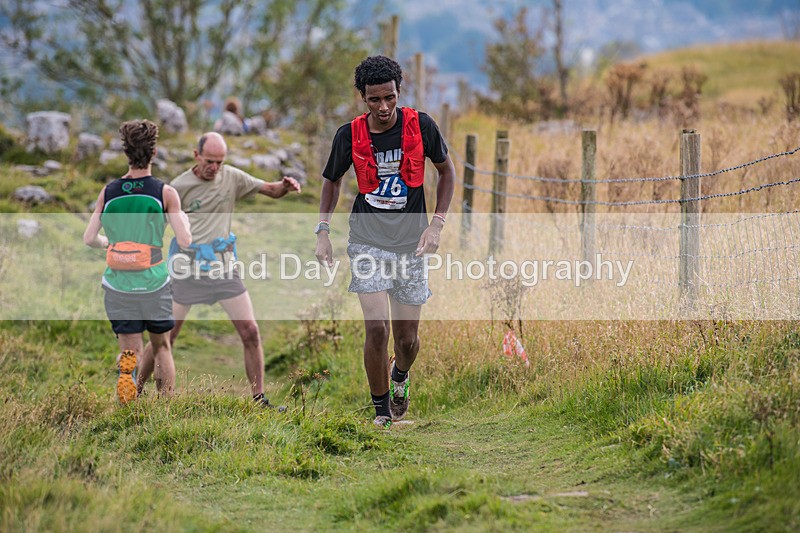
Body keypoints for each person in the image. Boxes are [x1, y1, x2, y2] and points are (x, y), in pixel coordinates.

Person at [315, 55, 455, 428]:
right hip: (367, 240)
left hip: (412, 244)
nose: (383, 107)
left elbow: (446, 172)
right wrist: (323, 231)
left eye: (389, 98)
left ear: (398, 92)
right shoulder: (349, 135)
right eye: (374, 99)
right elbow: (331, 180)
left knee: (407, 341)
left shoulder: (421, 125)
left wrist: (437, 225)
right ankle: (381, 413)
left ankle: (400, 376)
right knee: (376, 327)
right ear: (363, 97)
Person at [137, 132, 301, 407]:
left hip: (224, 268)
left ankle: (258, 399)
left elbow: (270, 190)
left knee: (250, 331)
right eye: (210, 161)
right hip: (187, 267)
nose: (214, 168)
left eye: (220, 162)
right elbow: (157, 227)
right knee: (164, 336)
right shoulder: (178, 187)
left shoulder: (232, 177)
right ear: (196, 156)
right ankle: (135, 391)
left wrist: (285, 186)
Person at [83, 119, 192, 404]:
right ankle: (166, 408)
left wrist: (107, 243)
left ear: (126, 153)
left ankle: (127, 407)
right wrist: (184, 222)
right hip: (154, 281)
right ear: (154, 152)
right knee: (162, 346)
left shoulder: (108, 193)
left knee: (130, 352)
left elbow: (89, 237)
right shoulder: (164, 193)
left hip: (118, 283)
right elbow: (185, 240)